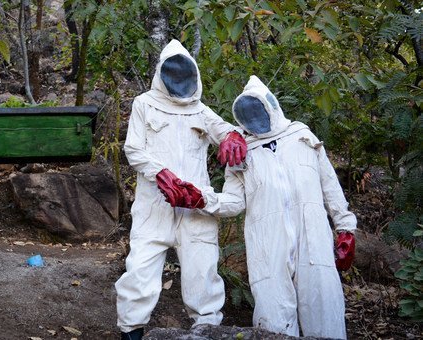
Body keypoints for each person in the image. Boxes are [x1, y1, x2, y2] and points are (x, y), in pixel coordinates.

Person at [167, 75, 356, 339]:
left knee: (324, 310)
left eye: (258, 108)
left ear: (272, 106)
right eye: (248, 112)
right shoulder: (243, 153)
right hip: (267, 247)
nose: (255, 117)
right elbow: (234, 202)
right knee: (274, 321)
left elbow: (330, 186)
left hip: (313, 240)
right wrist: (201, 199)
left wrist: (346, 227)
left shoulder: (302, 136)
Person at [115, 39, 247, 340]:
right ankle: (131, 333)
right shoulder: (144, 104)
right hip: (154, 207)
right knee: (138, 276)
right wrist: (161, 173)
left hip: (196, 208)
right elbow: (133, 149)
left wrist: (232, 137)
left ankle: (205, 333)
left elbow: (225, 129)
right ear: (161, 74)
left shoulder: (200, 110)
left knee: (203, 280)